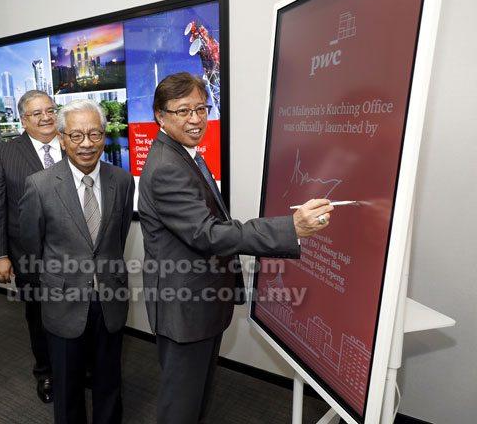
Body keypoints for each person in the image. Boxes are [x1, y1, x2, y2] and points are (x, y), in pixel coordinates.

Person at [138, 72, 334, 423]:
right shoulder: (168, 167)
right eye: (183, 111)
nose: (196, 119)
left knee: (195, 396)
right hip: (186, 309)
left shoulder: (184, 154)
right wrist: (290, 227)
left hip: (198, 304)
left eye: (201, 108)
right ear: (160, 116)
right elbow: (208, 234)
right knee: (180, 404)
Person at [19, 99, 134, 424]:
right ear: (61, 138)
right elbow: (31, 248)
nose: (87, 144)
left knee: (109, 381)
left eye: (95, 134)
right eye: (77, 135)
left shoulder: (122, 181)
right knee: (68, 387)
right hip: (63, 303)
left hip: (110, 300)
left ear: (104, 136)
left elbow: (116, 239)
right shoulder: (40, 186)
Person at [0, 90, 61, 403]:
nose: (45, 117)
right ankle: (46, 373)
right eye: (36, 113)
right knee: (40, 318)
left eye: (50, 110)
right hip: (30, 255)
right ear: (24, 120)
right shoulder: (5, 153)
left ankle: (80, 366)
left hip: (76, 254)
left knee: (80, 312)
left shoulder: (75, 143)